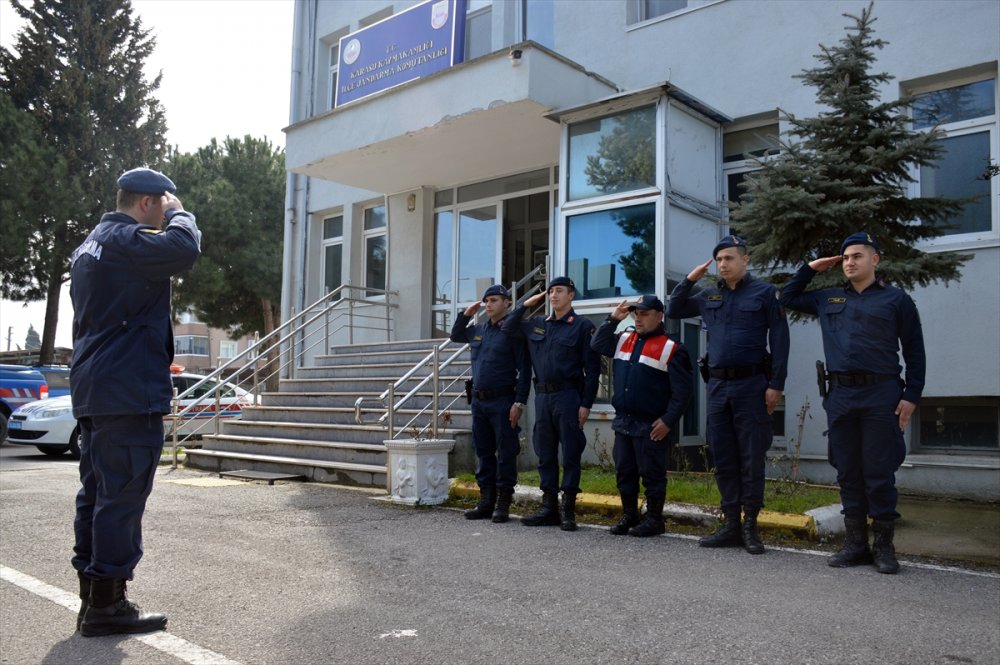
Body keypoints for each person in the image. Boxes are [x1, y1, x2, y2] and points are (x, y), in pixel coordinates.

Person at [70, 167, 201, 635]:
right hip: (125, 389)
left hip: (95, 388)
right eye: (162, 203)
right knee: (121, 496)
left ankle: (92, 597)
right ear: (147, 202)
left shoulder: (89, 245)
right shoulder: (125, 239)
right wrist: (181, 213)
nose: (165, 210)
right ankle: (108, 605)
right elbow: (185, 249)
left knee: (98, 494)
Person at [779, 232, 925, 574]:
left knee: (878, 470)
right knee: (847, 470)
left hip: (881, 394)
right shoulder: (827, 299)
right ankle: (856, 544)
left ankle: (884, 546)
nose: (849, 262)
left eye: (857, 256)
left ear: (875, 260)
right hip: (841, 395)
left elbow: (915, 352)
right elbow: (787, 296)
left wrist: (911, 395)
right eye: (845, 257)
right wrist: (811, 267)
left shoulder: (896, 300)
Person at [667, 235, 789, 554]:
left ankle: (750, 527)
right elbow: (674, 307)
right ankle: (731, 523)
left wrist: (776, 384)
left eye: (729, 258)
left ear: (745, 260)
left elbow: (780, 340)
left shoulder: (764, 294)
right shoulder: (708, 295)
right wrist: (690, 279)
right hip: (718, 387)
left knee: (751, 457)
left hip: (753, 385)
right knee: (723, 457)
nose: (723, 264)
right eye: (719, 259)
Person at [502, 276, 601, 531]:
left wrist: (586, 404)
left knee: (570, 452)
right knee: (544, 453)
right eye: (550, 292)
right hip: (543, 398)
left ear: (571, 295)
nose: (553, 296)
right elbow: (508, 327)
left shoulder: (582, 326)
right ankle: (549, 508)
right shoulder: (537, 324)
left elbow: (593, 370)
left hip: (569, 397)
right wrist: (525, 304)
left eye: (559, 291)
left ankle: (568, 509)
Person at [591, 295, 694, 537]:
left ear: (659, 316)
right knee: (625, 472)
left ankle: (655, 519)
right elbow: (597, 344)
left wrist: (668, 420)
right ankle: (629, 514)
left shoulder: (673, 348)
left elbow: (683, 392)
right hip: (624, 421)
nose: (638, 318)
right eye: (636, 313)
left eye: (645, 314)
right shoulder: (623, 339)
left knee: (652, 474)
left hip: (651, 425)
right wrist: (613, 318)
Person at [450, 284, 531, 523]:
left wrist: (520, 402)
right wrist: (465, 314)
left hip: (504, 400)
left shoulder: (512, 332)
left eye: (494, 300)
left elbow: (525, 371)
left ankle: (503, 502)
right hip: (479, 402)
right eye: (486, 301)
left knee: (506, 452)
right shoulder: (478, 330)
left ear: (507, 303)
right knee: (483, 451)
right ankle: (486, 501)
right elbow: (455, 335)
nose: (489, 304)